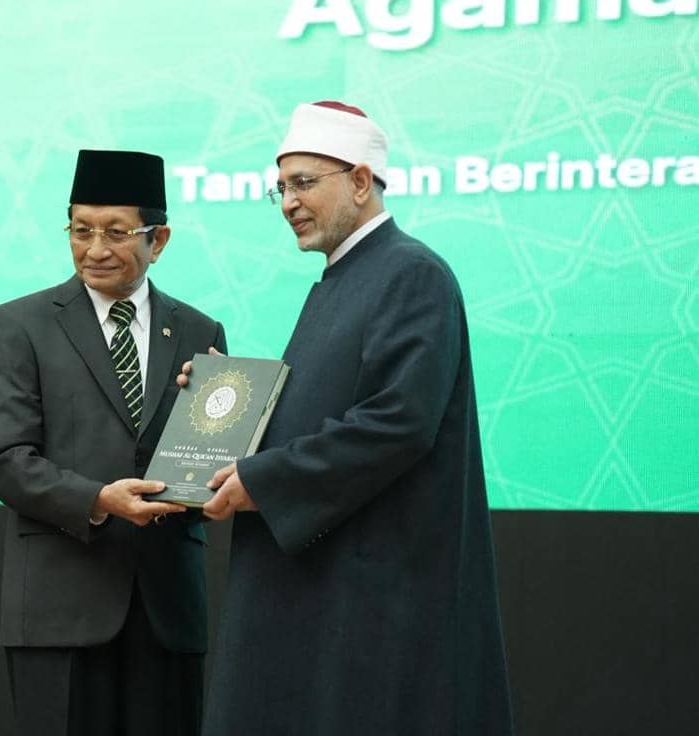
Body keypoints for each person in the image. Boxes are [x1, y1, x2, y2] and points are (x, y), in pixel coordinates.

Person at [198, 102, 514, 735]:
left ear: (362, 181)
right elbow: (322, 410)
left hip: (375, 595)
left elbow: (399, 422)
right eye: (280, 188)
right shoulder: (344, 279)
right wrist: (222, 405)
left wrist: (266, 481)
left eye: (304, 183)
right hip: (328, 587)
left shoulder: (412, 273)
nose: (288, 202)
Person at [0, 149, 227, 736]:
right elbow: (6, 460)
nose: (94, 249)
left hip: (166, 608)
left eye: (116, 233)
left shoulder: (199, 331)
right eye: (80, 230)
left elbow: (207, 458)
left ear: (158, 238)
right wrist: (99, 499)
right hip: (58, 605)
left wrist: (222, 421)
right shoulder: (20, 324)